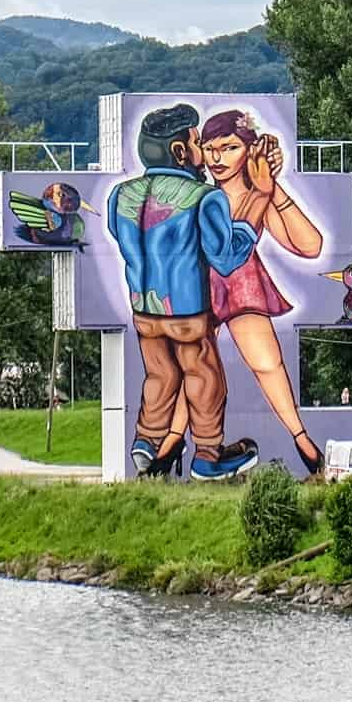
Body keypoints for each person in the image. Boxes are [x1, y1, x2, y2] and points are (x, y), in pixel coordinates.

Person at [109, 103, 265, 481]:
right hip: (187, 312)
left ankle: (146, 440)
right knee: (205, 376)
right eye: (197, 142)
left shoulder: (120, 195)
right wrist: (251, 215)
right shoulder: (203, 198)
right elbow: (226, 258)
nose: (203, 152)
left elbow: (123, 236)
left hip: (144, 308)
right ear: (180, 151)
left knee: (159, 376)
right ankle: (208, 455)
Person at [195, 109, 326, 475]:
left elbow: (309, 245)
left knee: (267, 363)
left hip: (242, 286)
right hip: (200, 287)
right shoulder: (202, 198)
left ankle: (301, 440)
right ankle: (170, 446)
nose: (217, 158)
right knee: (194, 364)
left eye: (229, 147)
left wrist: (271, 186)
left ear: (249, 150)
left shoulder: (259, 193)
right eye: (210, 148)